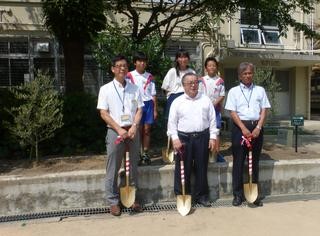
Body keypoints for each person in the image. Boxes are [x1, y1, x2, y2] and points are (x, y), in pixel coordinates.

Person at [97, 55, 144, 216]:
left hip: (132, 132)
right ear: (112, 69)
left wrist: (134, 127)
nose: (122, 68)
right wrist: (119, 129)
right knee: (113, 167)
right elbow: (103, 113)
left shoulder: (135, 88)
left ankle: (132, 199)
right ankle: (113, 201)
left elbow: (139, 110)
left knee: (133, 167)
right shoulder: (105, 89)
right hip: (115, 132)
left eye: (124, 65)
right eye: (118, 66)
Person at [167, 72, 218, 207]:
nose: (194, 85)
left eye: (196, 82)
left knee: (202, 167)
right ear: (183, 85)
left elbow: (212, 120)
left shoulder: (205, 99)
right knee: (183, 168)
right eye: (190, 83)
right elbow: (172, 123)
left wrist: (213, 137)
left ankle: (202, 196)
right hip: (183, 139)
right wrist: (175, 138)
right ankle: (183, 194)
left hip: (202, 137)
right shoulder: (177, 102)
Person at [224, 62, 271, 207]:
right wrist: (243, 128)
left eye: (250, 73)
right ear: (239, 76)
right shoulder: (233, 91)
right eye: (244, 73)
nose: (247, 75)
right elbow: (232, 112)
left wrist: (258, 127)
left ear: (253, 74)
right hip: (240, 128)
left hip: (257, 128)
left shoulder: (260, 90)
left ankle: (254, 194)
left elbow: (264, 110)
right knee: (238, 162)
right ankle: (237, 195)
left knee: (254, 162)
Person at [127, 52, 158, 165]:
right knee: (137, 130)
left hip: (148, 104)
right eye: (140, 61)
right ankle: (137, 153)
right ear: (135, 62)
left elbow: (153, 94)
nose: (142, 63)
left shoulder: (149, 76)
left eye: (144, 61)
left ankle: (145, 153)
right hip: (135, 105)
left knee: (147, 130)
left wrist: (155, 109)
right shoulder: (129, 75)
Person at [199, 56, 226, 163]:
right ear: (206, 67)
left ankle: (216, 153)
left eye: (214, 65)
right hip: (203, 110)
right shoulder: (201, 80)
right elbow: (199, 94)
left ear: (217, 67)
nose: (211, 67)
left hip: (216, 110)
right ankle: (204, 152)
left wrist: (214, 103)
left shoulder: (220, 81)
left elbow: (222, 95)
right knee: (204, 130)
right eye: (209, 65)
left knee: (216, 131)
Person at [161, 49, 195, 121]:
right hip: (174, 98)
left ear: (188, 59)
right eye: (180, 57)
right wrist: (170, 97)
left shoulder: (192, 71)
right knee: (172, 122)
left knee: (187, 121)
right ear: (177, 59)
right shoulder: (172, 71)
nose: (183, 59)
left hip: (188, 99)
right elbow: (165, 88)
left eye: (185, 57)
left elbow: (195, 87)